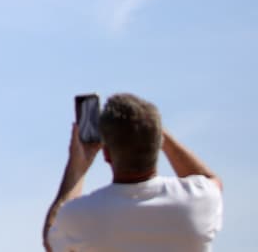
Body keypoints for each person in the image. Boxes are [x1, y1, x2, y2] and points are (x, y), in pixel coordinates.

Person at [42, 93, 223, 251]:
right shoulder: (198, 198)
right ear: (158, 142)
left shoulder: (80, 216)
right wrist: (159, 133)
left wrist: (77, 166)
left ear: (106, 154)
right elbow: (211, 180)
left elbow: (52, 237)